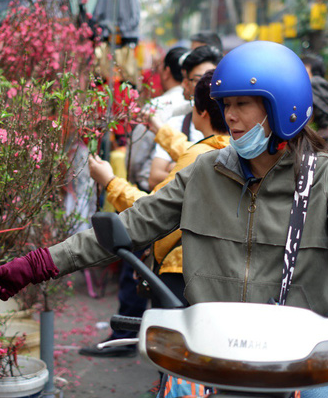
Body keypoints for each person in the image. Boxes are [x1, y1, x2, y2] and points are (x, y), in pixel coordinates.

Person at [0, 41, 328, 398]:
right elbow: (128, 227)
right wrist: (32, 266)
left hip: (301, 363)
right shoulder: (204, 172)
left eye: (245, 104)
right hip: (214, 358)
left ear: (285, 109)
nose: (231, 116)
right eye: (227, 104)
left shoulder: (326, 178)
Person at [89, 69, 228, 308]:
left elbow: (151, 210)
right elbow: (192, 150)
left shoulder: (199, 155)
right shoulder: (232, 149)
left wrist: (110, 181)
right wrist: (160, 130)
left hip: (179, 267)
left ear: (203, 111)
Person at [148, 45, 221, 190]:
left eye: (212, 79)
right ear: (186, 83)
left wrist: (176, 168)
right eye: (200, 79)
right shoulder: (177, 123)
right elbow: (154, 177)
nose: (208, 86)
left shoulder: (235, 126)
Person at [128, 47, 190, 193]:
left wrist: (131, 178)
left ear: (166, 72)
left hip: (151, 188)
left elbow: (137, 154)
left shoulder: (157, 106)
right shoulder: (196, 105)